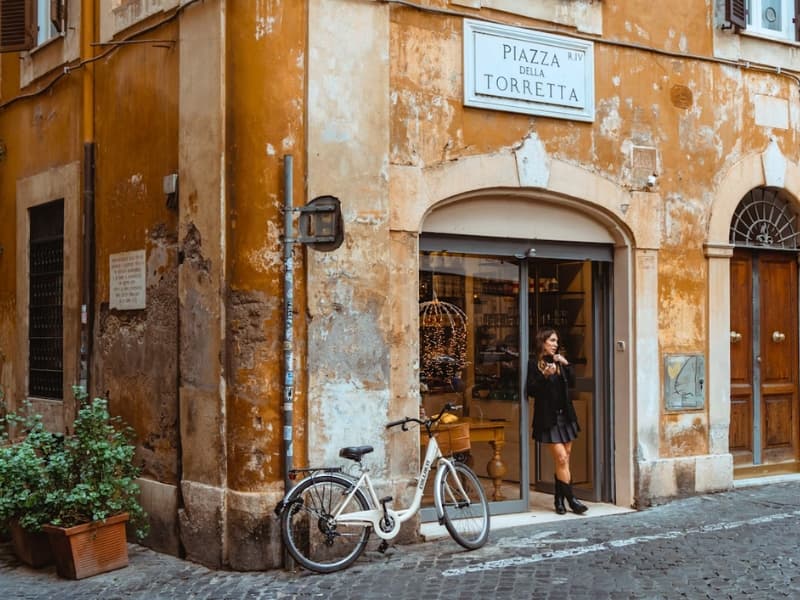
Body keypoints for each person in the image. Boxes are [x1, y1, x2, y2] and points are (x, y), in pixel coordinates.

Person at [526, 327, 588, 515]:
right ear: (542, 342)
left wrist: (566, 364)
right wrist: (545, 376)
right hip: (548, 417)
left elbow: (572, 383)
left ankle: (558, 500)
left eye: (556, 341)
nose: (555, 344)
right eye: (552, 340)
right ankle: (572, 500)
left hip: (565, 415)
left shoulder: (559, 362)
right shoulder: (533, 364)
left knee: (565, 458)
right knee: (561, 457)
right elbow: (531, 390)